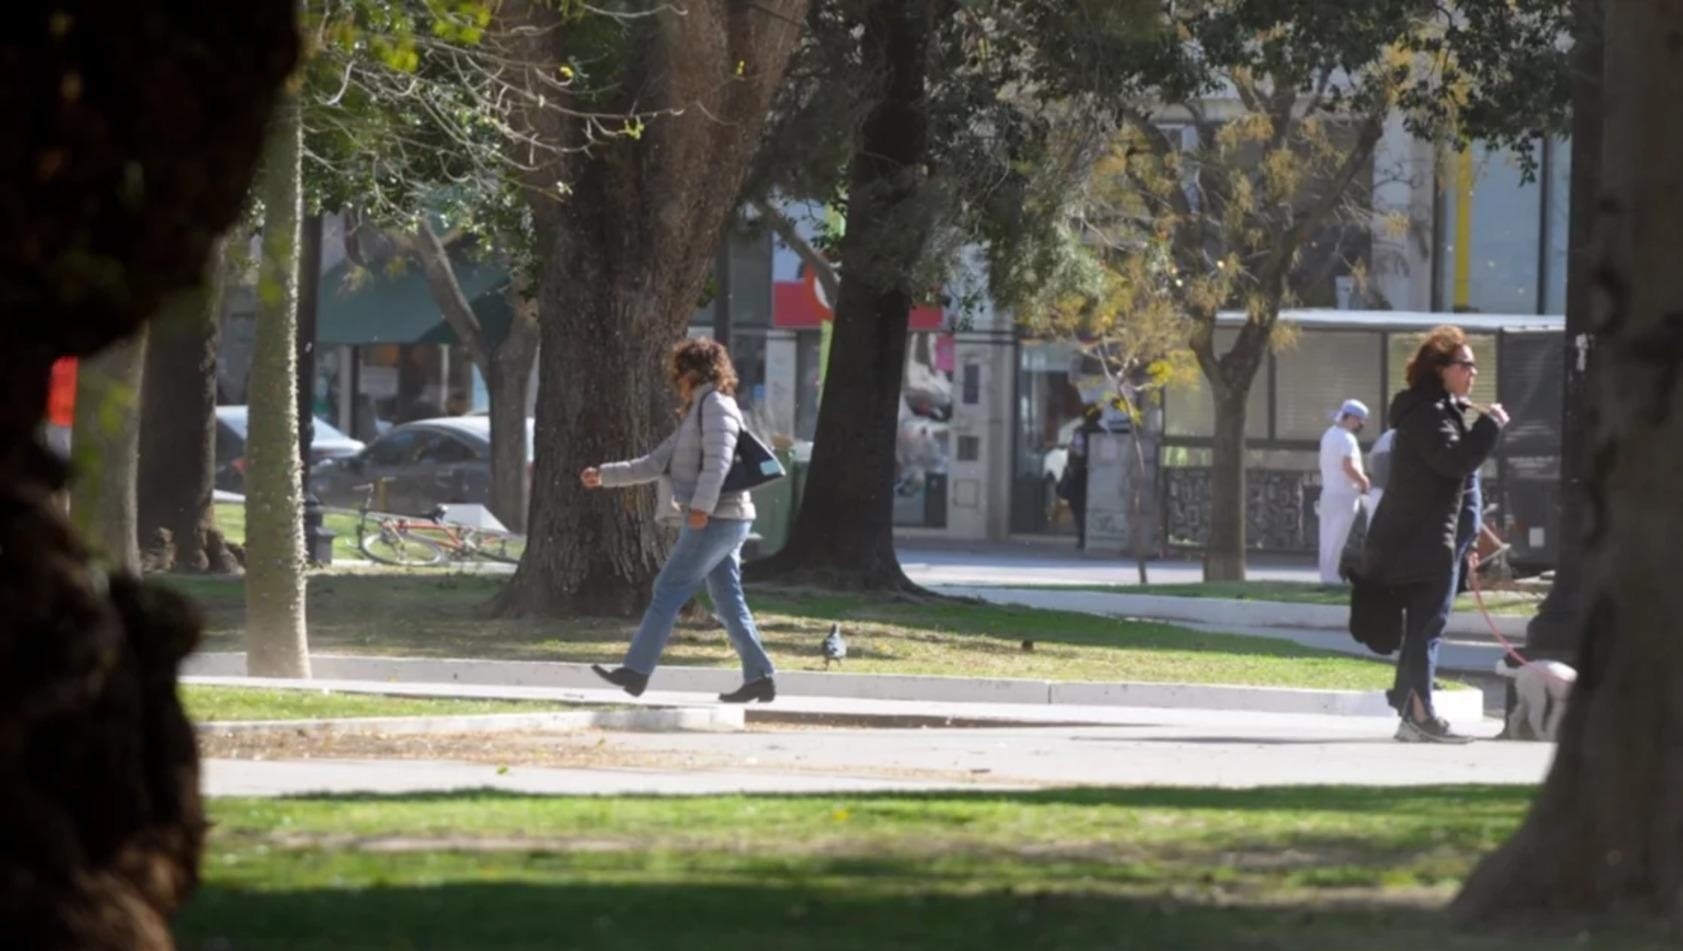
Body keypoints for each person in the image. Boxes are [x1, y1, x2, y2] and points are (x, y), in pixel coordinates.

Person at [581, 338, 778, 704]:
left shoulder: (716, 407)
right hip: (721, 517)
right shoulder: (699, 412)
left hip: (716, 517)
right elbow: (654, 464)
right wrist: (604, 475)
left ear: (691, 372)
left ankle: (636, 671)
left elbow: (719, 463)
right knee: (727, 601)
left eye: (678, 373)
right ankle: (760, 677)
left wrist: (701, 507)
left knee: (668, 588)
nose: (676, 381)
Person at [1360, 325, 1507, 743]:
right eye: (1465, 365)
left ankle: (1413, 710)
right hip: (1426, 543)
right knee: (1427, 627)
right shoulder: (1428, 414)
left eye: (1474, 366)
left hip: (1441, 541)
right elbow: (1455, 463)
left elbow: (1458, 488)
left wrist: (1468, 544)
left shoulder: (1441, 411)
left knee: (1427, 626)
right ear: (1440, 369)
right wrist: (1490, 426)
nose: (1473, 373)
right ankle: (1420, 714)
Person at [1317, 399, 1371, 584]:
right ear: (1351, 417)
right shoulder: (1347, 439)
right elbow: (1348, 466)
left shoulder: (1329, 434)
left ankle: (1326, 575)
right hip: (1345, 495)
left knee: (1326, 538)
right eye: (1359, 420)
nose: (1360, 424)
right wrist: (1364, 481)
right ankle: (1331, 578)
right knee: (1337, 539)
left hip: (1329, 493)